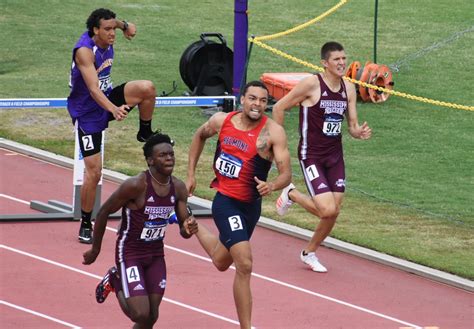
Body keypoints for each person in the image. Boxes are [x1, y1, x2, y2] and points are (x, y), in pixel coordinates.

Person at [186, 80, 292, 329]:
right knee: (244, 263)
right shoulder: (222, 121)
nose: (258, 105)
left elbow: (286, 173)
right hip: (226, 202)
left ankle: (193, 225)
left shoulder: (273, 133)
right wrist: (191, 174)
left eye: (263, 101)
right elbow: (199, 136)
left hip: (250, 207)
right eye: (253, 98)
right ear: (242, 99)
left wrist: (272, 186)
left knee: (222, 262)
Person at [272, 41, 372, 273]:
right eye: (336, 59)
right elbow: (279, 107)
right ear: (324, 63)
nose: (342, 63)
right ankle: (292, 194)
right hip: (312, 156)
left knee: (333, 211)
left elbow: (352, 125)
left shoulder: (348, 88)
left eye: (344, 58)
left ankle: (309, 252)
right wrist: (278, 143)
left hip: (335, 156)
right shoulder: (311, 84)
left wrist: (358, 132)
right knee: (327, 211)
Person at [83, 132, 198, 328]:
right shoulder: (136, 185)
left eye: (171, 154)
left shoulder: (178, 188)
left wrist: (189, 228)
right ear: (150, 160)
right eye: (163, 155)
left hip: (155, 254)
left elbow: (183, 230)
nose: (169, 158)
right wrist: (95, 249)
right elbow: (103, 212)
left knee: (151, 317)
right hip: (130, 253)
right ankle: (115, 279)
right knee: (140, 314)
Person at [67, 8, 158, 244]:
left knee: (147, 88)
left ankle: (144, 132)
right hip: (87, 111)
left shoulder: (109, 27)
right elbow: (93, 89)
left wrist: (125, 25)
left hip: (108, 97)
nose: (112, 33)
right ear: (95, 30)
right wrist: (113, 109)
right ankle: (86, 222)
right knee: (94, 171)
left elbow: (115, 23)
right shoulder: (85, 52)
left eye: (112, 28)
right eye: (107, 30)